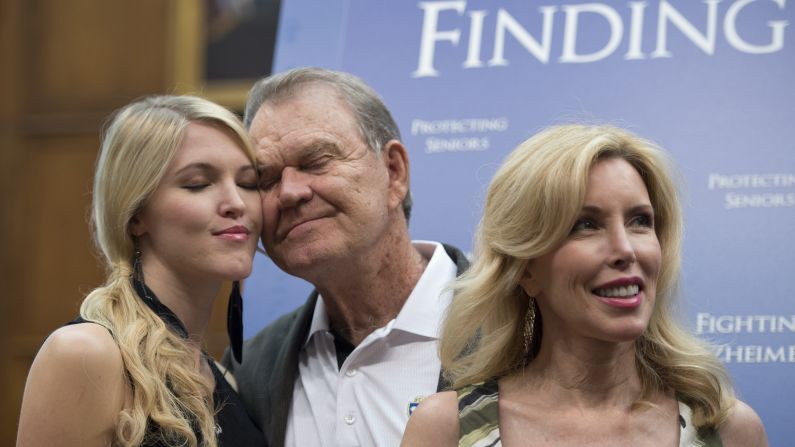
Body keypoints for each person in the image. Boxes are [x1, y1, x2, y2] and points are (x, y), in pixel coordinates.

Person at [401, 124, 768, 447]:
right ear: (525, 269)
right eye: (585, 225)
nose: (625, 250)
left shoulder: (727, 429)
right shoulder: (445, 429)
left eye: (640, 221)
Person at [224, 67, 469, 447]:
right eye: (266, 180)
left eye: (316, 161)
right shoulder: (250, 370)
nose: (289, 192)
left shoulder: (524, 325)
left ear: (394, 171)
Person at [17, 96, 266, 447]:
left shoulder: (223, 377)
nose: (237, 203)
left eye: (248, 183)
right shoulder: (84, 354)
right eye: (198, 183)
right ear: (136, 215)